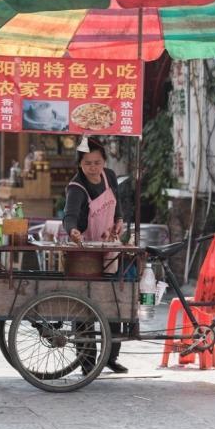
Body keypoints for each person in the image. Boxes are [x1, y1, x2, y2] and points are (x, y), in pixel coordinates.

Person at [62, 137, 127, 374]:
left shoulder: (109, 176)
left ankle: (111, 356)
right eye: (88, 163)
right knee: (84, 306)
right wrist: (73, 231)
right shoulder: (76, 187)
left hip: (109, 246)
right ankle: (86, 360)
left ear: (104, 161)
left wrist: (119, 220)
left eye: (97, 162)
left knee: (113, 300)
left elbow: (116, 203)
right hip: (84, 252)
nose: (93, 167)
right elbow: (68, 216)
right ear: (80, 164)